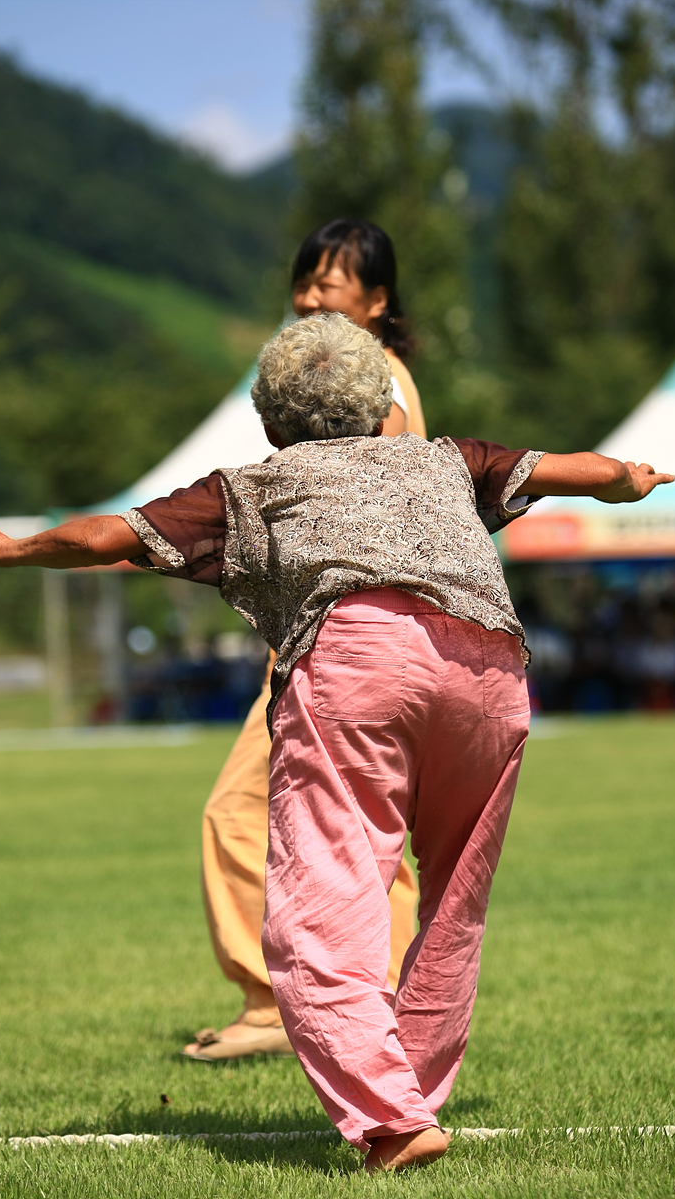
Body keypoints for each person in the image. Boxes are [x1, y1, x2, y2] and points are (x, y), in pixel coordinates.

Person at [0, 313, 674, 1172]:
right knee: (454, 903)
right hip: (488, 667)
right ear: (380, 411)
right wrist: (626, 479)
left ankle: (395, 1120)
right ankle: (410, 1098)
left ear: (270, 424)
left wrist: (7, 549)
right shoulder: (445, 457)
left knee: (320, 909)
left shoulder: (250, 487)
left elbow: (106, 536)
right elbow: (568, 469)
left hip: (358, 667)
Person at [191, 219, 426, 1061]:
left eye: (328, 284)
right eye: (304, 281)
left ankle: (274, 1006)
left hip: (340, 638)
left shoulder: (378, 383)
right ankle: (378, 1001)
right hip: (349, 633)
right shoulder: (354, 378)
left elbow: (380, 472)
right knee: (368, 832)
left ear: (376, 300)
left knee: (240, 812)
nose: (308, 297)